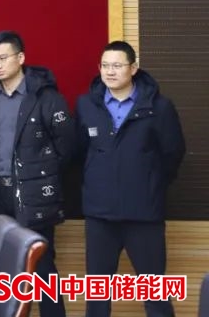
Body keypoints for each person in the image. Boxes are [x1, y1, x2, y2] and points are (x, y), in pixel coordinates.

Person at [76, 41, 185, 317]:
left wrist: (150, 183)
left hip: (144, 214)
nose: (110, 72)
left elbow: (173, 153)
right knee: (97, 296)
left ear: (133, 68)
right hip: (100, 215)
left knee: (155, 295)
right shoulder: (87, 105)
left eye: (117, 65)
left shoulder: (159, 107)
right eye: (105, 65)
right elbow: (79, 152)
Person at [0, 30, 76, 317]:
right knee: (3, 267)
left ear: (20, 58)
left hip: (34, 193)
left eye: (3, 58)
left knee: (41, 266)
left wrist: (39, 177)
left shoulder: (45, 96)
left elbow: (67, 146)